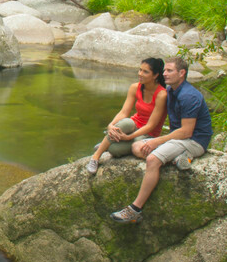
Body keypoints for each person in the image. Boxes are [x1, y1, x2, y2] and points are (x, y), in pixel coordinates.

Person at [109, 56, 213, 224]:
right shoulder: (171, 91)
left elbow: (187, 131)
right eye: (164, 70)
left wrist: (157, 141)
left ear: (182, 73)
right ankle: (180, 158)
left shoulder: (188, 96)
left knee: (152, 159)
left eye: (169, 71)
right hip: (178, 139)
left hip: (194, 141)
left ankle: (135, 209)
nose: (165, 74)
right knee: (137, 148)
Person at [86, 58, 168, 175]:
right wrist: (111, 125)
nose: (140, 74)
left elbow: (151, 125)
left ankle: (108, 144)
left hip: (148, 133)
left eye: (145, 72)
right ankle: (95, 157)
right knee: (126, 123)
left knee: (115, 150)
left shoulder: (162, 94)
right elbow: (124, 112)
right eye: (140, 70)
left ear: (155, 75)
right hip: (132, 125)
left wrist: (129, 138)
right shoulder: (135, 87)